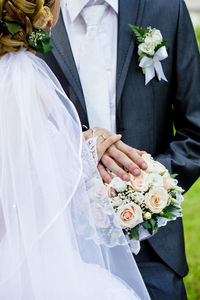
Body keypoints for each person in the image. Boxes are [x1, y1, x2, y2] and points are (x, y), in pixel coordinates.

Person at [39, 0, 200, 299]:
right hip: (62, 245)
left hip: (153, 249)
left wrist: (148, 184)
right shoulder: (29, 16)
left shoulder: (166, 8)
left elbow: (197, 126)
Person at [0, 0, 152, 299]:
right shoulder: (26, 82)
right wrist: (79, 160)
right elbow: (15, 195)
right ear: (47, 15)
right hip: (27, 264)